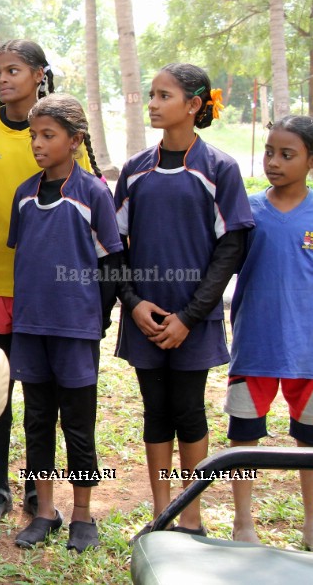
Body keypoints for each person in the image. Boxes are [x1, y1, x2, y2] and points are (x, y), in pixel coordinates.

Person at [115, 63, 253, 539]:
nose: (152, 103)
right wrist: (133, 303)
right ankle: (162, 515)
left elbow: (231, 247)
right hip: (144, 317)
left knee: (189, 411)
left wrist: (190, 317)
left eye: (163, 95)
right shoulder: (134, 171)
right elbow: (114, 248)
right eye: (150, 94)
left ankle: (191, 517)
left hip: (195, 320)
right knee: (155, 410)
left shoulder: (220, 169)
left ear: (193, 106)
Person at [0, 40, 91, 521]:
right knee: (1, 392)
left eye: (14, 70)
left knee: (51, 401)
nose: (3, 79)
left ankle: (44, 495)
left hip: (51, 294)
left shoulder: (58, 131)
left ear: (40, 74)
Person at [7, 94, 121, 553]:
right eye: (34, 135)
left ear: (74, 141)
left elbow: (112, 263)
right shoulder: (24, 195)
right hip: (31, 328)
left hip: (75, 329)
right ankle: (45, 512)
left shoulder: (93, 193)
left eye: (48, 135)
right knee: (37, 420)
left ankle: (83, 515)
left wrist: (98, 319)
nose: (38, 143)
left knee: (78, 423)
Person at [226, 115, 313, 547]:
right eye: (269, 152)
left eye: (287, 154)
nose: (274, 162)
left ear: (310, 160)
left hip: (308, 352)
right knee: (245, 435)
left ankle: (311, 526)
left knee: (309, 442)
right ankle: (244, 524)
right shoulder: (248, 211)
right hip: (255, 346)